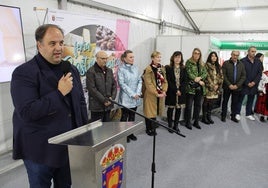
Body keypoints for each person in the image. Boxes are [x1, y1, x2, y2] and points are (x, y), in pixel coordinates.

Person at [10, 24, 89, 188]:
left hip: (69, 147)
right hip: (39, 151)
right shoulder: (23, 73)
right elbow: (27, 112)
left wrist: (85, 132)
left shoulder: (70, 69)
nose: (59, 48)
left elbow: (80, 102)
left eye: (61, 43)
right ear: (39, 45)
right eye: (52, 43)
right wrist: (59, 94)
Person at [117, 50, 142, 142]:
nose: (133, 59)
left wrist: (138, 93)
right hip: (126, 97)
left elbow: (140, 81)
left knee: (132, 116)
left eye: (133, 57)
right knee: (124, 117)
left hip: (136, 97)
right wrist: (132, 94)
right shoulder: (121, 69)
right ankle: (123, 135)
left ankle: (130, 133)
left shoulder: (136, 68)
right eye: (130, 57)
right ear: (124, 58)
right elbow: (122, 84)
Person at [86, 50, 117, 122]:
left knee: (107, 128)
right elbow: (92, 89)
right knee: (97, 130)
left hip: (108, 105)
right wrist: (104, 100)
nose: (105, 60)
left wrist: (112, 98)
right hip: (97, 107)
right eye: (103, 58)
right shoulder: (91, 71)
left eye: (106, 58)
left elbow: (114, 85)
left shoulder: (109, 71)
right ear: (97, 59)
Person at [143, 51, 168, 136]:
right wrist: (156, 93)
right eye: (157, 57)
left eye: (160, 57)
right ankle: (148, 129)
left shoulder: (162, 68)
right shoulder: (148, 69)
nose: (159, 59)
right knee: (149, 112)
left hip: (160, 93)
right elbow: (148, 84)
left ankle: (153, 127)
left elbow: (165, 81)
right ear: (152, 58)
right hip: (151, 94)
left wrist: (164, 90)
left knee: (155, 112)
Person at [237, 46, 262, 121]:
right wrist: (247, 82)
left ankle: (248, 114)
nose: (254, 53)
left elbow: (259, 73)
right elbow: (241, 73)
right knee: (240, 99)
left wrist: (254, 82)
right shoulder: (242, 61)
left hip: (254, 84)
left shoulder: (258, 61)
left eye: (255, 51)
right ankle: (237, 113)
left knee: (251, 99)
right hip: (244, 84)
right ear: (248, 52)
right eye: (252, 51)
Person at [184, 48, 207, 130]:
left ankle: (196, 121)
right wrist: (198, 80)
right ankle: (188, 122)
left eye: (198, 53)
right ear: (192, 54)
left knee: (198, 106)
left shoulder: (202, 64)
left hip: (200, 89)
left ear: (200, 55)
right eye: (195, 53)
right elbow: (189, 73)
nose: (196, 55)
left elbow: (205, 73)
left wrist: (200, 78)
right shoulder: (188, 62)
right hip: (191, 88)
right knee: (189, 106)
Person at [221, 50, 246, 122]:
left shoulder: (241, 64)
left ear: (238, 56)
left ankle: (233, 116)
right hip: (227, 87)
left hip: (237, 88)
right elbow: (224, 75)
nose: (235, 56)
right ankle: (223, 115)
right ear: (231, 55)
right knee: (225, 101)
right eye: (234, 55)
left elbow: (243, 76)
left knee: (234, 102)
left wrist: (237, 85)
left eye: (237, 55)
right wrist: (229, 85)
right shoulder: (226, 63)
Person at [165, 51, 186, 133]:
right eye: (176, 57)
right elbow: (169, 81)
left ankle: (176, 125)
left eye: (179, 57)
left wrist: (180, 90)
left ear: (181, 59)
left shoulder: (184, 68)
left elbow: (185, 81)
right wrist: (176, 90)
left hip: (181, 93)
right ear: (173, 58)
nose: (177, 59)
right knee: (170, 109)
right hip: (171, 92)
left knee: (178, 110)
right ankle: (170, 124)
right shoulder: (168, 68)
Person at [201, 51, 223, 124]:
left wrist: (217, 85)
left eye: (215, 56)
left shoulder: (218, 66)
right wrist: (212, 86)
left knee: (212, 102)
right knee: (206, 102)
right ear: (210, 57)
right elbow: (205, 76)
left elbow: (221, 77)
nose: (214, 57)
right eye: (212, 56)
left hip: (216, 88)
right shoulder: (206, 65)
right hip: (208, 87)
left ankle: (209, 116)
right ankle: (204, 117)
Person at [254, 53, 268, 122]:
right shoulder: (265, 74)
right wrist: (260, 90)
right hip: (262, 88)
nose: (263, 59)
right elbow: (261, 81)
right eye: (262, 57)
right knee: (262, 102)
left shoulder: (262, 67)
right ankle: (261, 115)